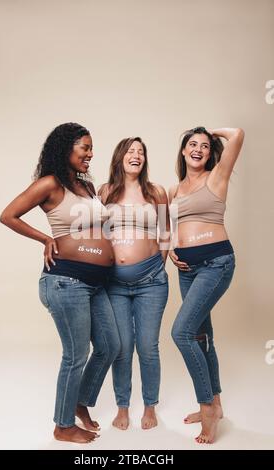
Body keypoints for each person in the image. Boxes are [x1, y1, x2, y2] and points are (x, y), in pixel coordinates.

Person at [0, 122, 120, 443]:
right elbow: (8, 215)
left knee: (109, 346)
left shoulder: (86, 185)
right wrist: (44, 239)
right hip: (65, 282)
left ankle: (78, 402)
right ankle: (63, 425)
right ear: (66, 148)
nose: (91, 154)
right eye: (85, 148)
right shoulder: (50, 184)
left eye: (92, 148)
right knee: (76, 354)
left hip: (95, 283)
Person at [169, 126, 245, 444]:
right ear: (183, 151)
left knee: (181, 333)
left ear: (209, 150)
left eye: (204, 145)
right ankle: (216, 404)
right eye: (192, 144)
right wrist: (172, 249)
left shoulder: (217, 177)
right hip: (187, 269)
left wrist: (209, 132)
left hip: (216, 263)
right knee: (201, 337)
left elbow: (238, 134)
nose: (198, 149)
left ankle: (206, 407)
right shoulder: (174, 191)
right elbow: (168, 227)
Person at [99, 137, 170, 430]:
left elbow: (166, 232)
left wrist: (155, 265)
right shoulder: (104, 192)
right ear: (120, 157)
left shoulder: (156, 192)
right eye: (131, 151)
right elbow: (99, 235)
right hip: (114, 283)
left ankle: (150, 406)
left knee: (148, 347)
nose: (136, 155)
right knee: (122, 348)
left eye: (141, 152)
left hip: (152, 281)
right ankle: (123, 407)